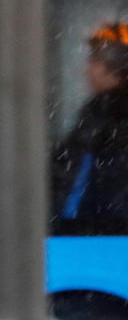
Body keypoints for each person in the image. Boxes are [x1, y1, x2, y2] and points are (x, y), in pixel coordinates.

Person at [55, 22, 128, 221]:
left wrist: (63, 224)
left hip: (96, 234)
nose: (87, 69)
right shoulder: (101, 113)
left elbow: (76, 179)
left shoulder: (102, 116)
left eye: (94, 61)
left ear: (113, 69)